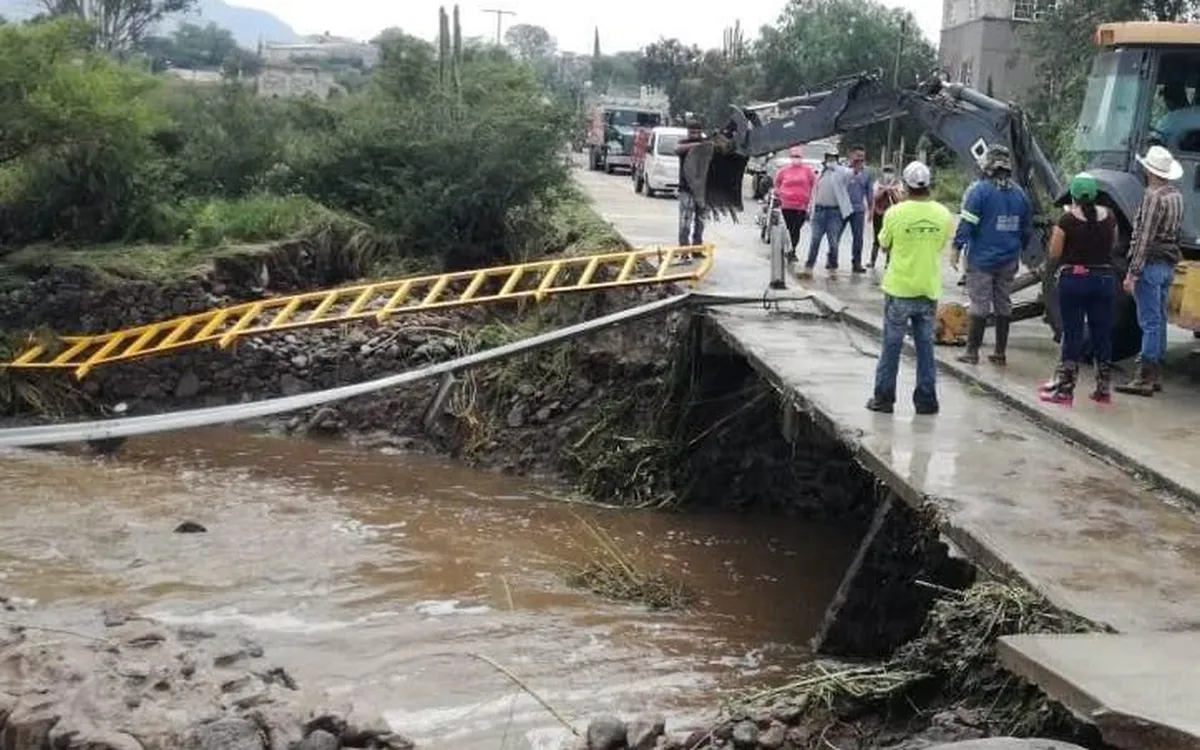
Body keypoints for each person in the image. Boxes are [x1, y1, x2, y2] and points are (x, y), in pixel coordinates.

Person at [866, 160, 955, 416]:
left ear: (904, 185)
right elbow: (940, 244)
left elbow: (883, 244)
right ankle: (926, 401)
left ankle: (884, 399)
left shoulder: (895, 213)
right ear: (929, 185)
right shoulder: (942, 214)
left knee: (891, 346)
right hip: (927, 289)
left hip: (899, 289)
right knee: (925, 347)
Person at [1038, 173, 1120, 404]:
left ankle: (1065, 389)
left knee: (1073, 333)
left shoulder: (1066, 221)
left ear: (1073, 194)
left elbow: (1055, 253)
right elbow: (1112, 247)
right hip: (1104, 279)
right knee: (1102, 333)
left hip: (1074, 280)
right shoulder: (1110, 217)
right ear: (1095, 194)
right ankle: (1103, 389)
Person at [951, 145, 1033, 366]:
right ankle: (999, 353)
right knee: (1003, 304)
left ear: (987, 166)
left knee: (979, 304)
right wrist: (1017, 248)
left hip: (982, 260)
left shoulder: (980, 191)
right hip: (1008, 259)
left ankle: (972, 352)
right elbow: (1026, 230)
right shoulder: (1020, 194)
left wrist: (956, 248)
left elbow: (967, 223)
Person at [1115, 145, 1185, 396]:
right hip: (1167, 264)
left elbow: (1143, 237)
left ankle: (1143, 376)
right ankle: (1155, 373)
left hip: (1151, 265)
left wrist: (1132, 272)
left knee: (1149, 321)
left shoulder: (1152, 196)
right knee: (1160, 319)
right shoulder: (1175, 195)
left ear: (1149, 171)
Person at [799, 149, 853, 279]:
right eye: (829, 158)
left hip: (834, 213)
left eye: (833, 158)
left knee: (833, 242)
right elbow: (814, 192)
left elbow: (850, 173)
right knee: (815, 240)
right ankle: (809, 267)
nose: (831, 160)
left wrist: (836, 166)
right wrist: (809, 209)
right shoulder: (820, 173)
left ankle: (833, 268)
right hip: (819, 211)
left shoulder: (841, 172)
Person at [773, 145, 817, 262]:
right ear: (790, 157)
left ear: (801, 157)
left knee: (796, 229)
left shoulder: (808, 171)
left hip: (801, 206)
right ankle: (787, 249)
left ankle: (792, 249)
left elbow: (814, 185)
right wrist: (779, 193)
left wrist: (811, 201)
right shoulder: (784, 170)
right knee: (787, 228)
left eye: (798, 156)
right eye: (793, 156)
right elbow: (777, 183)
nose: (795, 158)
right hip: (786, 204)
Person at [673, 120, 708, 262]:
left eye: (697, 132)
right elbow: (677, 149)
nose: (694, 134)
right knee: (685, 223)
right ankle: (684, 251)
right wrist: (699, 145)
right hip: (686, 190)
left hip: (702, 191)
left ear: (701, 132)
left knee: (700, 223)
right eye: (691, 132)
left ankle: (697, 249)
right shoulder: (684, 144)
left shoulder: (707, 145)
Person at [845, 145, 875, 273]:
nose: (860, 159)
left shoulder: (867, 172)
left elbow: (869, 192)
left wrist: (871, 210)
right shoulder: (843, 169)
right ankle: (831, 259)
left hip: (858, 210)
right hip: (842, 207)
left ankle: (856, 263)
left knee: (858, 238)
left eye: (862, 157)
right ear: (851, 155)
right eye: (857, 156)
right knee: (835, 234)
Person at [869, 165, 904, 268]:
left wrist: (892, 191)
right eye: (886, 171)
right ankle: (872, 261)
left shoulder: (898, 183)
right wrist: (884, 190)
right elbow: (874, 196)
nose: (888, 174)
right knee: (876, 237)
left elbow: (899, 200)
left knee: (891, 238)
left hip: (892, 214)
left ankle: (888, 263)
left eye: (890, 171)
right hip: (879, 212)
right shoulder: (878, 182)